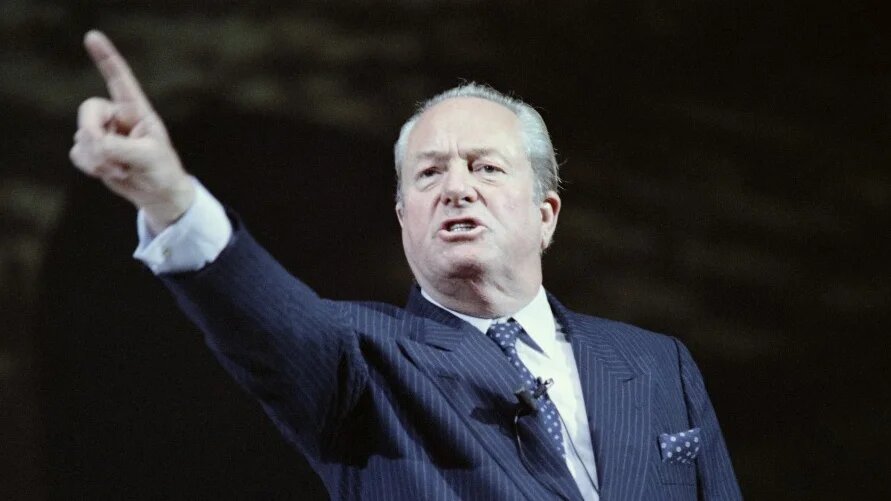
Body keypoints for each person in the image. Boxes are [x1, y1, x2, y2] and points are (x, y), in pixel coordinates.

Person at [70, 30, 742, 500]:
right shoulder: (360, 360)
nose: (456, 187)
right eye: (428, 174)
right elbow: (260, 314)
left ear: (546, 214)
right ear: (403, 218)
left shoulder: (658, 364)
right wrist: (169, 196)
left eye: (484, 167)